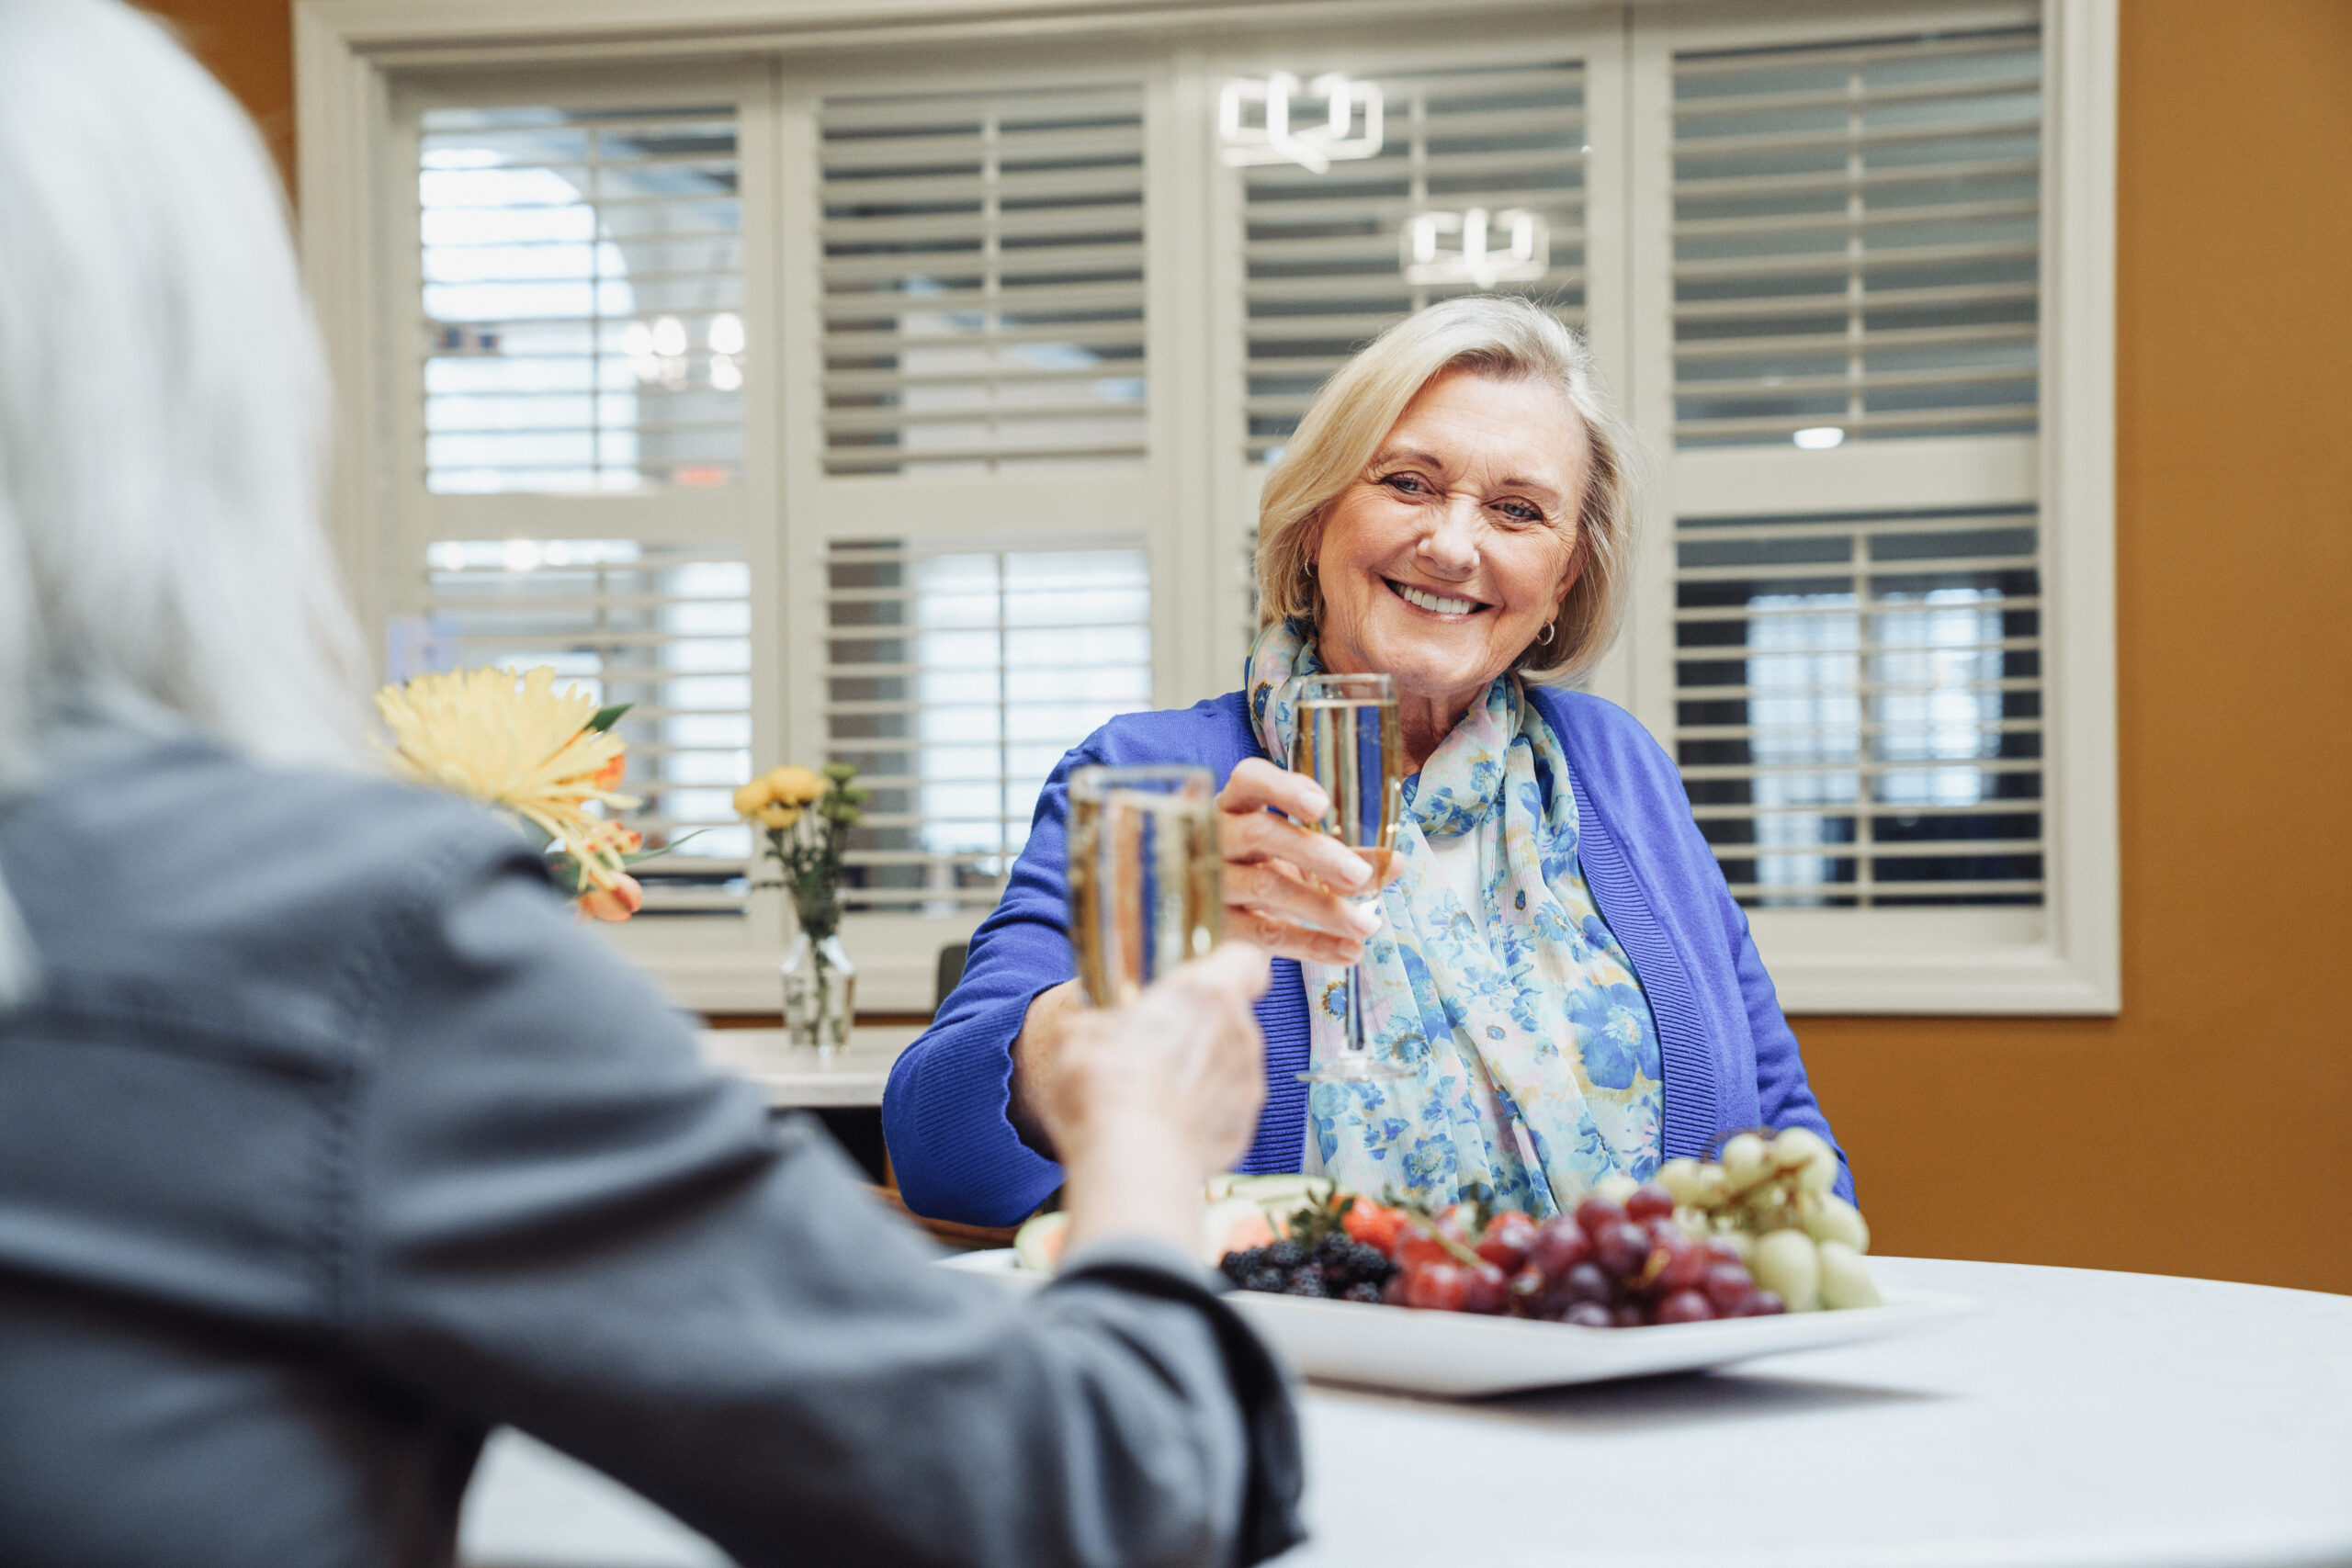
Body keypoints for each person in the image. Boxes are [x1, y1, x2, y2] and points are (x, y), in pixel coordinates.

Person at [0, 4, 1303, 1564]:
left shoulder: (1612, 783)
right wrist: (1145, 1134)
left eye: (1521, 505)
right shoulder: (344, 939)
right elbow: (1092, 1490)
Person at [886, 294, 1853, 1229]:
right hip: (1280, 1371)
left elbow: (1784, 1139)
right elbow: (936, 1150)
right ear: (1314, 525)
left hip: (1619, 1366)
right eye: (1406, 484)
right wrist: (1151, 962)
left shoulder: (1618, 768)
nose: (1451, 545)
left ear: (1563, 579)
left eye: (1517, 511)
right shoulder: (1151, 773)